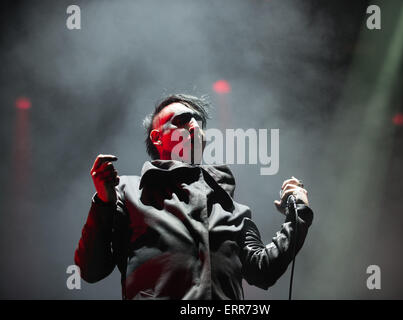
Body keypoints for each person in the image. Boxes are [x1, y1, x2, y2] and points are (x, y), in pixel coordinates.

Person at [74, 94, 313, 300]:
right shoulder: (127, 192)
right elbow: (91, 270)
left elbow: (263, 271)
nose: (194, 125)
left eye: (198, 121)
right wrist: (104, 203)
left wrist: (298, 214)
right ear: (157, 138)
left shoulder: (234, 209)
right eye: (182, 120)